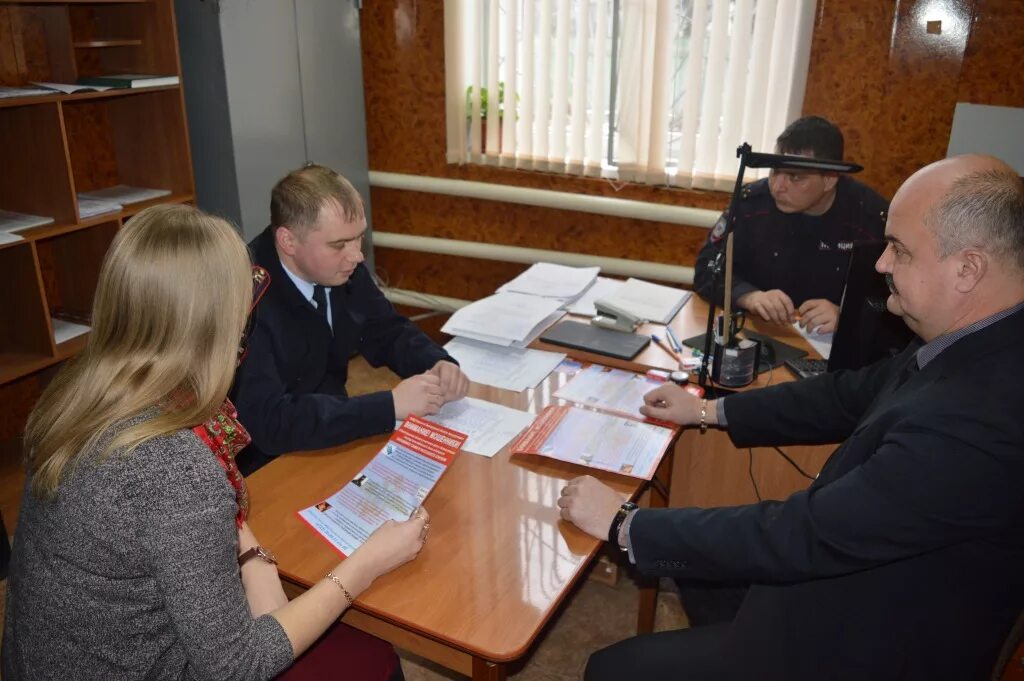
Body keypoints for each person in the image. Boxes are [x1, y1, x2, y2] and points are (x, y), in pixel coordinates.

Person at [558, 155, 1024, 680]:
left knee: (613, 670)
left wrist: (627, 525)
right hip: (871, 570)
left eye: (899, 250)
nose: (881, 265)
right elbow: (845, 396)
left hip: (874, 640)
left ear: (968, 269)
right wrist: (708, 410)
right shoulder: (974, 344)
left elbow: (810, 533)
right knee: (700, 569)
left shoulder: (983, 418)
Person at [2, 204, 429, 680]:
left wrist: (251, 557)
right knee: (373, 656)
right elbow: (237, 667)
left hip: (49, 664)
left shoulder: (76, 392)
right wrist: (366, 563)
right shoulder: (175, 465)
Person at [232, 165, 469, 475]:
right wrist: (387, 406)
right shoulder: (246, 298)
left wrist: (437, 363)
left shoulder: (340, 268)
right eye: (339, 244)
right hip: (269, 466)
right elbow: (269, 422)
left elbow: (385, 329)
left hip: (333, 436)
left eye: (359, 239)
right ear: (288, 242)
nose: (357, 256)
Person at [693, 116, 889, 333]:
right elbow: (706, 269)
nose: (777, 187)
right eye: (775, 171)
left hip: (829, 345)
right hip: (758, 333)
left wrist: (847, 314)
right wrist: (749, 296)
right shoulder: (751, 202)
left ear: (830, 179)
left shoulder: (871, 219)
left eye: (795, 178)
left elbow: (896, 303)